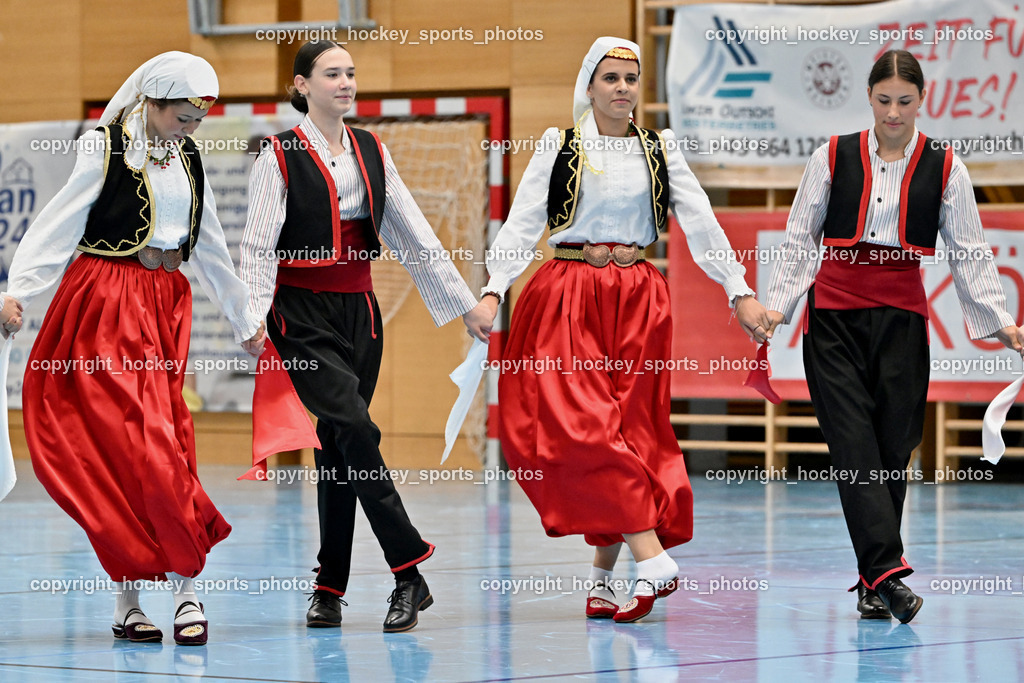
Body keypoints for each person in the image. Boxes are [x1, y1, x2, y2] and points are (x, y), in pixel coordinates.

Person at [462, 36, 770, 623]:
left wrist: (740, 290)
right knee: (584, 427)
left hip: (640, 299)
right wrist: (492, 290)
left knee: (630, 432)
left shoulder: (661, 150)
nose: (623, 88)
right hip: (568, 291)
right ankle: (652, 558)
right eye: (611, 78)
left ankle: (603, 579)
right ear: (590, 85)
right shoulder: (560, 146)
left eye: (631, 78)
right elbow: (523, 220)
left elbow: (701, 223)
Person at [0, 51, 265, 645]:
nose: (192, 129)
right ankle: (185, 591)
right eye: (183, 117)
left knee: (164, 438)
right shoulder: (105, 147)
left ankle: (128, 605)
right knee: (145, 446)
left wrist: (245, 318)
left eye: (199, 120)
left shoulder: (191, 156)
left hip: (167, 303)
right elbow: (59, 222)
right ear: (155, 101)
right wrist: (18, 291)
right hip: (105, 302)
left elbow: (213, 245)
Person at [765, 49, 1024, 624]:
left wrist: (1000, 323)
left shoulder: (946, 164)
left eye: (905, 101)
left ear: (922, 100)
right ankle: (888, 575)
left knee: (890, 451)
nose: (894, 112)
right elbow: (799, 237)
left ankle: (871, 583)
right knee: (854, 446)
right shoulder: (831, 155)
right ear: (869, 97)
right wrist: (777, 308)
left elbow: (970, 251)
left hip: (904, 319)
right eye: (884, 100)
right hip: (832, 317)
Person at [239, 40, 489, 633]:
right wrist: (251, 316)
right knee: (353, 427)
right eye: (331, 73)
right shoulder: (275, 156)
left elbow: (413, 233)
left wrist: (464, 305)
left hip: (361, 314)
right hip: (299, 315)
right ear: (301, 85)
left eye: (351, 72)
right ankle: (408, 566)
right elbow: (256, 244)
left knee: (338, 448)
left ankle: (329, 588)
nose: (345, 82)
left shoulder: (373, 149)